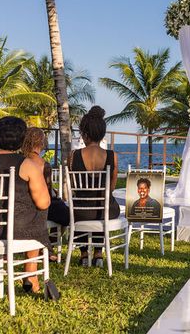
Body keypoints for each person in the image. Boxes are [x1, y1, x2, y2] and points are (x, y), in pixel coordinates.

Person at [0, 117, 50, 294]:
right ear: (22, 138)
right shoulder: (26, 164)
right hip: (13, 231)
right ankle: (31, 274)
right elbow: (44, 202)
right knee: (40, 212)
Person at [68, 106, 120, 267]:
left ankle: (84, 253)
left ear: (85, 134)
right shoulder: (112, 156)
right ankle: (98, 253)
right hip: (104, 210)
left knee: (79, 208)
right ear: (102, 134)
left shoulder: (73, 156)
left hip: (80, 212)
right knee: (102, 205)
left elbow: (74, 188)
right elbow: (110, 189)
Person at [21, 128, 69, 261]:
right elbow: (46, 192)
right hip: (40, 205)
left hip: (22, 205)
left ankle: (46, 247)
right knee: (66, 215)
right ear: (42, 143)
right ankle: (50, 245)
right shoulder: (43, 164)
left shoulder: (20, 160)